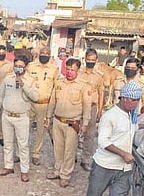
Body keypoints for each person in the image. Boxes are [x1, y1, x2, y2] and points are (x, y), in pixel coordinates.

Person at [82, 80, 143, 196]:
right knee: (95, 192)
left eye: (138, 100)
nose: (137, 103)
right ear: (124, 98)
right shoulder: (110, 116)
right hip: (104, 165)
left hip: (124, 168)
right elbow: (103, 141)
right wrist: (123, 153)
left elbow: (132, 133)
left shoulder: (132, 116)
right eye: (134, 100)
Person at [45, 58, 91, 187]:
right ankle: (57, 170)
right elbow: (52, 101)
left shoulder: (83, 86)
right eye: (68, 69)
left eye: (73, 70)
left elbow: (87, 106)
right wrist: (48, 117)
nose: (70, 72)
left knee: (69, 150)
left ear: (78, 71)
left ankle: (65, 175)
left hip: (72, 123)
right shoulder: (59, 83)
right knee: (57, 148)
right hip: (58, 120)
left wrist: (85, 124)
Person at [0, 55, 39, 182]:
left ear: (26, 67)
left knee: (23, 145)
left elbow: (36, 97)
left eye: (21, 66)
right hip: (7, 115)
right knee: (7, 143)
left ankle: (24, 170)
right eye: (16, 66)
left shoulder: (31, 80)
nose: (18, 69)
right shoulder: (8, 78)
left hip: (22, 117)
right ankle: (8, 166)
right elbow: (0, 96)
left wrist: (24, 85)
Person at [26, 47, 59, 166]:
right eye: (42, 53)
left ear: (50, 55)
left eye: (47, 53)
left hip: (44, 104)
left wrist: (53, 106)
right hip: (29, 103)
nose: (44, 55)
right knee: (25, 129)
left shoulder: (54, 69)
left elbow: (56, 88)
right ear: (38, 54)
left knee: (40, 131)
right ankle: (21, 153)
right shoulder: (31, 66)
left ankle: (36, 154)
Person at [78, 49, 104, 172]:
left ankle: (85, 160)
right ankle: (71, 157)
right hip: (78, 106)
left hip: (92, 107)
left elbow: (101, 93)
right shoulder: (79, 72)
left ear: (96, 60)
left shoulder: (99, 76)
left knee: (90, 134)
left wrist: (100, 110)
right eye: (88, 59)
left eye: (93, 60)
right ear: (85, 58)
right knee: (74, 131)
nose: (90, 62)